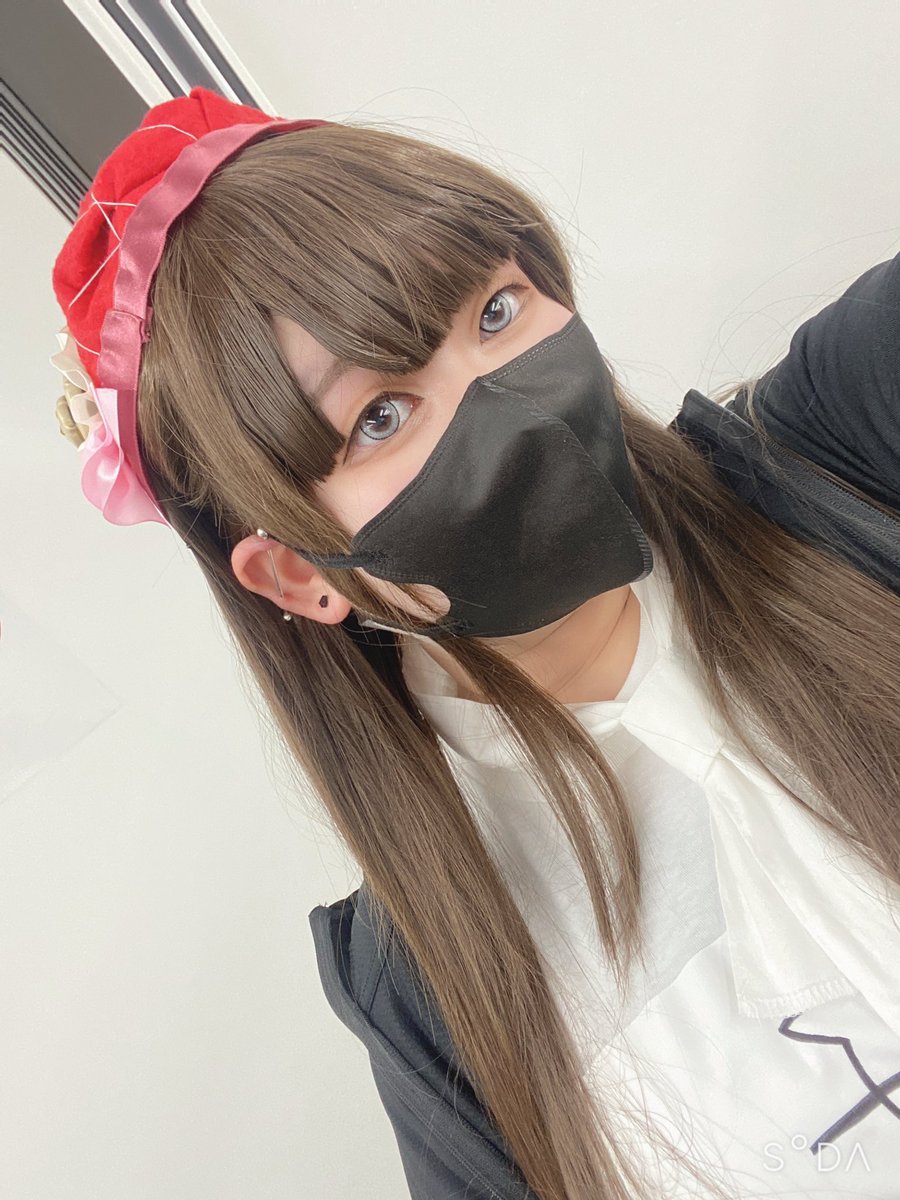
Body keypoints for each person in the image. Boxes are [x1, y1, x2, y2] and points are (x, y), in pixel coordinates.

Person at [49, 86, 900, 1200]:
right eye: (380, 416)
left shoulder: (839, 453)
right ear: (298, 574)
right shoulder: (441, 998)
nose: (504, 402)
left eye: (496, 313)